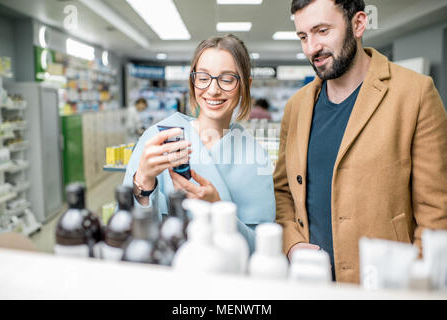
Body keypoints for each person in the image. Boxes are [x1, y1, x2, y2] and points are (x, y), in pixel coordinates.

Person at [274, 0, 447, 284]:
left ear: (358, 24)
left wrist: (418, 284)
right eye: (303, 36)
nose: (311, 48)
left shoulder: (415, 94)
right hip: (312, 284)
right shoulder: (297, 106)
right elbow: (283, 191)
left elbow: (436, 213)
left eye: (322, 31)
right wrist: (291, 243)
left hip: (386, 284)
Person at [123, 34, 276, 253]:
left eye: (227, 79)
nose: (213, 90)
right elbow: (127, 230)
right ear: (193, 81)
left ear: (245, 85)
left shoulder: (255, 156)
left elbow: (262, 249)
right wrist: (144, 182)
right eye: (203, 78)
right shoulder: (158, 138)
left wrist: (219, 211)